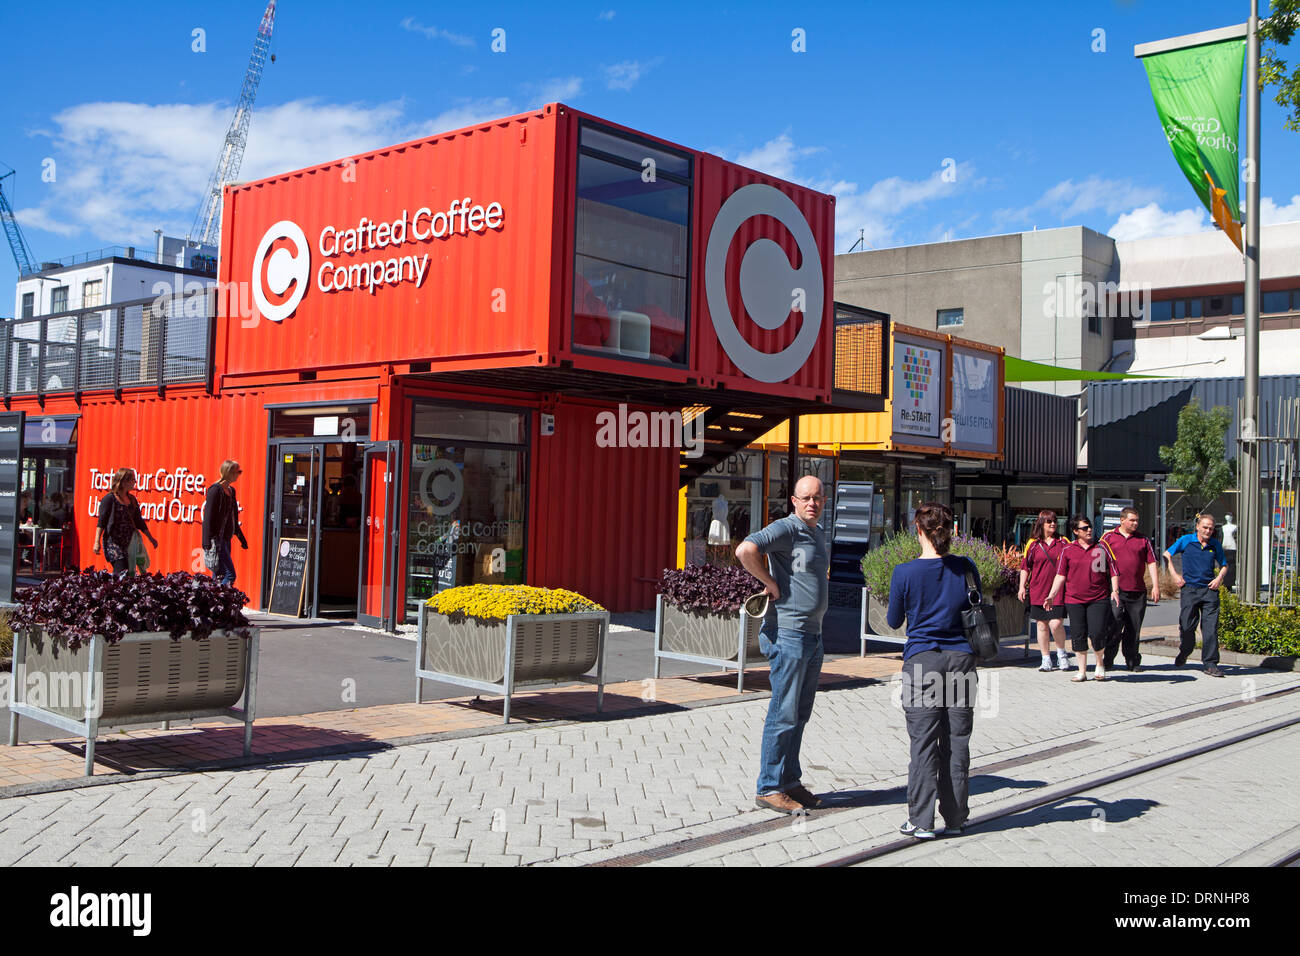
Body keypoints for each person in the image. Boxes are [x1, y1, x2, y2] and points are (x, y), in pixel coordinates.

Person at [735, 474, 830, 816]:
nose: (812, 503)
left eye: (817, 498)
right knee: (784, 712)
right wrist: (769, 583)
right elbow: (745, 550)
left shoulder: (817, 532)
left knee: (799, 714)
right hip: (788, 634)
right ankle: (769, 787)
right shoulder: (787, 528)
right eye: (805, 498)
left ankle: (789, 781)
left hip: (811, 635)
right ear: (793, 500)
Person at [887, 502, 979, 840]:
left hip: (923, 660)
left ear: (918, 529)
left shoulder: (905, 572)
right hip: (962, 660)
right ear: (950, 531)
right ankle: (955, 819)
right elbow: (976, 608)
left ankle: (921, 821)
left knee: (923, 742)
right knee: (956, 741)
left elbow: (895, 620)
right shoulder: (966, 567)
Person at [1044, 515, 1119, 682]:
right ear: (1075, 531)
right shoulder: (1068, 550)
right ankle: (1082, 670)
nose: (1089, 530)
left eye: (1090, 526)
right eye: (1085, 528)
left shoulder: (1102, 547)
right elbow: (1060, 576)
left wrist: (1115, 590)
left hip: (1098, 598)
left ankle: (1100, 664)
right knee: (1078, 634)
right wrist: (1051, 595)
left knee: (1097, 632)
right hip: (1074, 599)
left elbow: (1114, 570)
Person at [1164, 513, 1228, 678]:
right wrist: (1175, 575)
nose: (1208, 531)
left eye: (1211, 528)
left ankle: (1210, 663)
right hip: (1190, 590)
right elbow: (1167, 555)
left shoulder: (1215, 544)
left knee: (1210, 629)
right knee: (1186, 626)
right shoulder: (1186, 540)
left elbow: (1224, 565)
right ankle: (1185, 651)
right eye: (1205, 527)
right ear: (1197, 526)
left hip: (1209, 591)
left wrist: (1219, 578)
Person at [1099, 507, 1160, 672]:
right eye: (1132, 520)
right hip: (1115, 591)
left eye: (1137, 520)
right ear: (1122, 520)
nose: (1135, 523)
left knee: (1133, 628)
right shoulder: (1108, 537)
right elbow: (1097, 563)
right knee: (1114, 625)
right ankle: (1108, 659)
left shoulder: (1143, 539)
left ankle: (1132, 661)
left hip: (1137, 592)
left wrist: (1155, 585)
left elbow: (1152, 562)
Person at [1018, 509, 1071, 672]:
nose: (1053, 524)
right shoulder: (1033, 544)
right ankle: (1046, 659)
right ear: (1041, 524)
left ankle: (1062, 655)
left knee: (1056, 624)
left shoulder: (1063, 542)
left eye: (1054, 521)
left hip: (1058, 591)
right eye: (1049, 521)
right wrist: (1022, 586)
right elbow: (1025, 567)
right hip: (1038, 589)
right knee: (1041, 625)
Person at [92, 468, 157, 576]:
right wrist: (96, 542)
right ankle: (112, 591)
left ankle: (117, 591)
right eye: (132, 479)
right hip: (114, 543)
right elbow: (101, 522)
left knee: (129, 573)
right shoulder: (109, 499)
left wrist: (151, 538)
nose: (135, 482)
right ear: (123, 482)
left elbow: (139, 521)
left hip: (129, 542)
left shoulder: (132, 499)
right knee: (121, 570)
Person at [203, 460, 249, 587]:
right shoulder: (215, 490)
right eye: (237, 472)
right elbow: (208, 518)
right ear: (229, 473)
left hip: (226, 538)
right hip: (217, 539)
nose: (239, 474)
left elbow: (233, 516)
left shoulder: (231, 491)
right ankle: (220, 598)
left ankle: (213, 601)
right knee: (230, 575)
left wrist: (241, 538)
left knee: (219, 574)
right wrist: (206, 542)